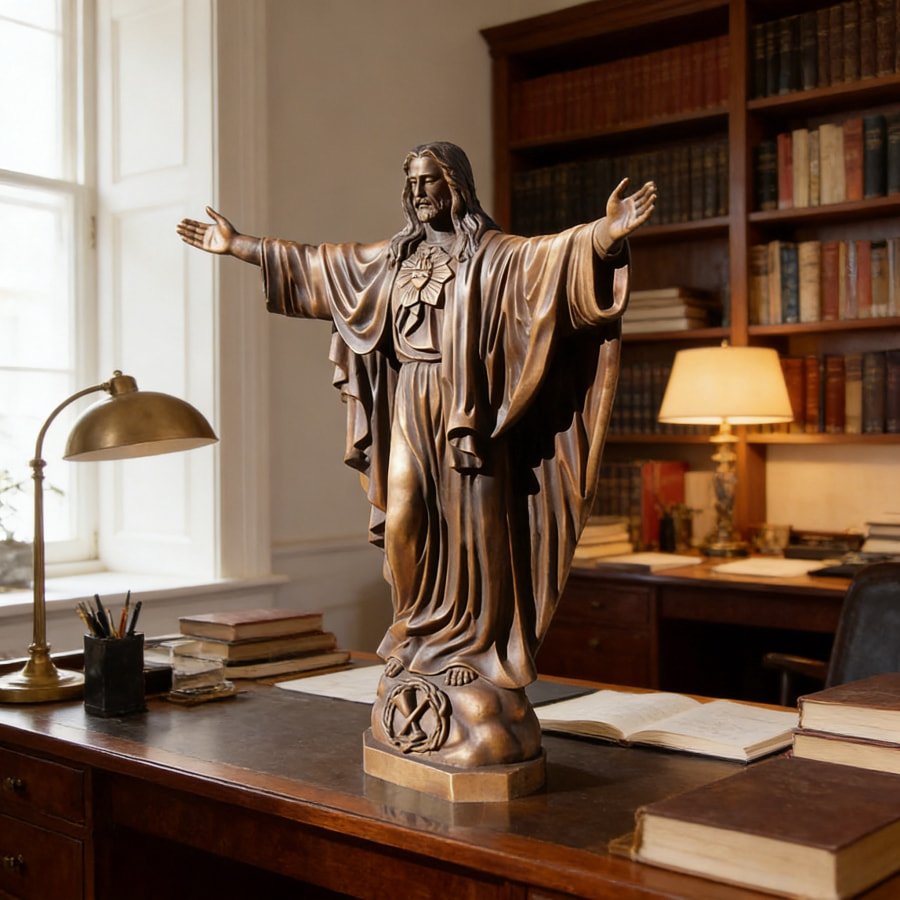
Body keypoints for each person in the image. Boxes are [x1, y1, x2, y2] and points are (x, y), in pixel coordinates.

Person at [178, 141, 655, 694]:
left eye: (430, 181)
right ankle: (414, 630)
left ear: (456, 185)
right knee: (404, 513)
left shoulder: (493, 253)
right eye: (412, 182)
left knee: (478, 526)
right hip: (411, 396)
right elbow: (321, 263)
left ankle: (474, 644)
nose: (419, 193)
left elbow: (549, 258)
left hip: (472, 406)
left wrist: (605, 233)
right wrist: (238, 244)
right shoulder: (395, 257)